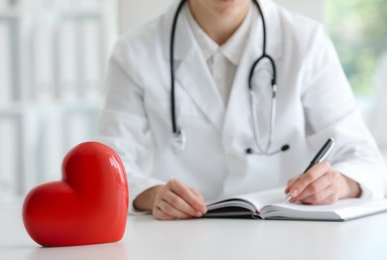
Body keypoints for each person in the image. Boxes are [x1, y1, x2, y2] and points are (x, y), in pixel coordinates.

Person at [97, 0, 387, 220]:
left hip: (287, 232)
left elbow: (364, 157)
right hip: (183, 236)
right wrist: (151, 195)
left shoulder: (306, 41)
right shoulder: (134, 51)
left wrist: (341, 184)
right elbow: (110, 167)